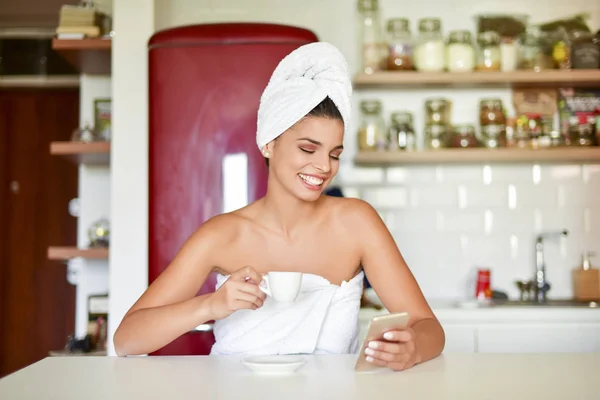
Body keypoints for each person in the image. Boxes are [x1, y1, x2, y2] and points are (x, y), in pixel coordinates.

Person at [113, 42, 445, 371]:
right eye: (308, 148)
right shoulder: (221, 235)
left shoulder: (357, 222)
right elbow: (127, 339)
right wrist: (211, 305)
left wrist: (412, 349)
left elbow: (429, 326)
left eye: (334, 154)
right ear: (269, 143)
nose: (324, 167)